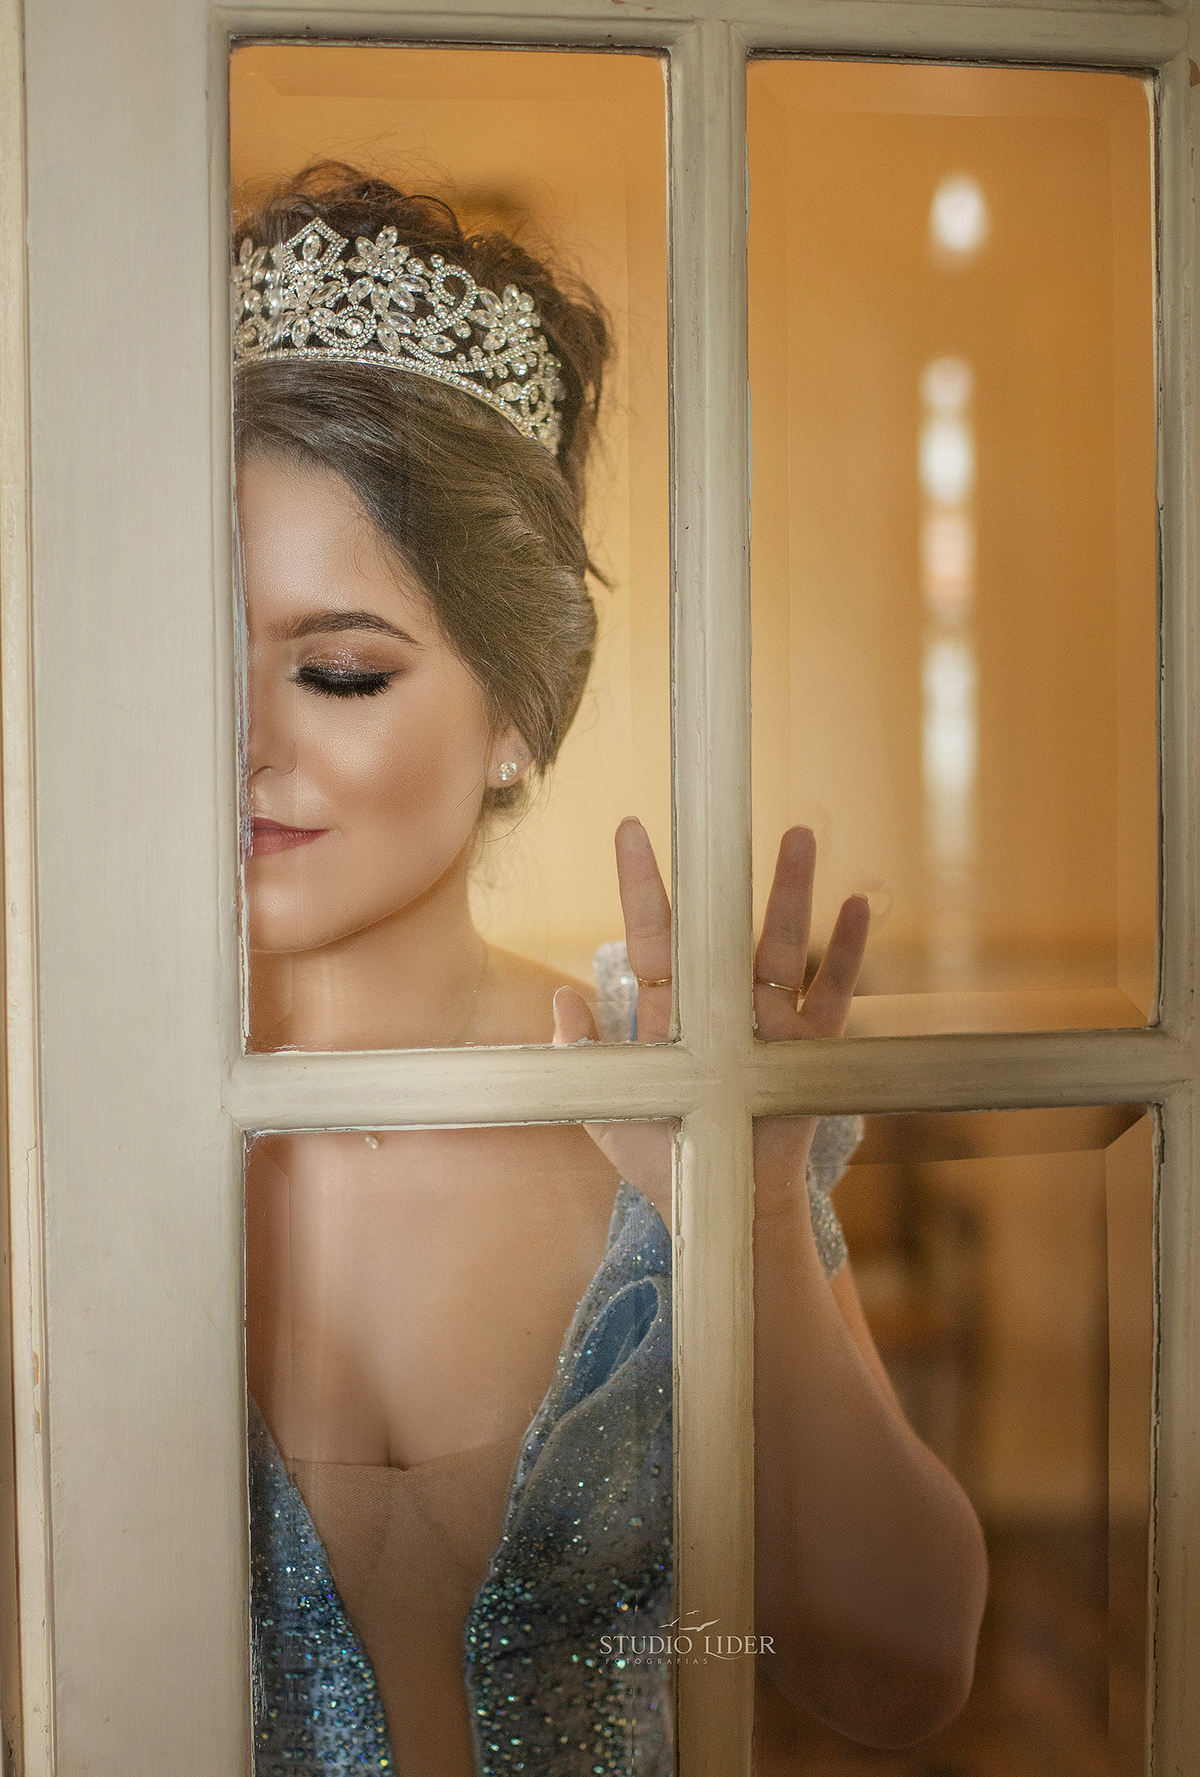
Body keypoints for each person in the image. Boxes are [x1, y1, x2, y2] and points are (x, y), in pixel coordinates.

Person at [234, 164, 988, 1777]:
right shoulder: (66, 1107)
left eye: (337, 669)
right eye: (197, 655)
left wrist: (752, 1222)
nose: (242, 743)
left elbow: (899, 1671)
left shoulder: (657, 1078)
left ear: (517, 713)